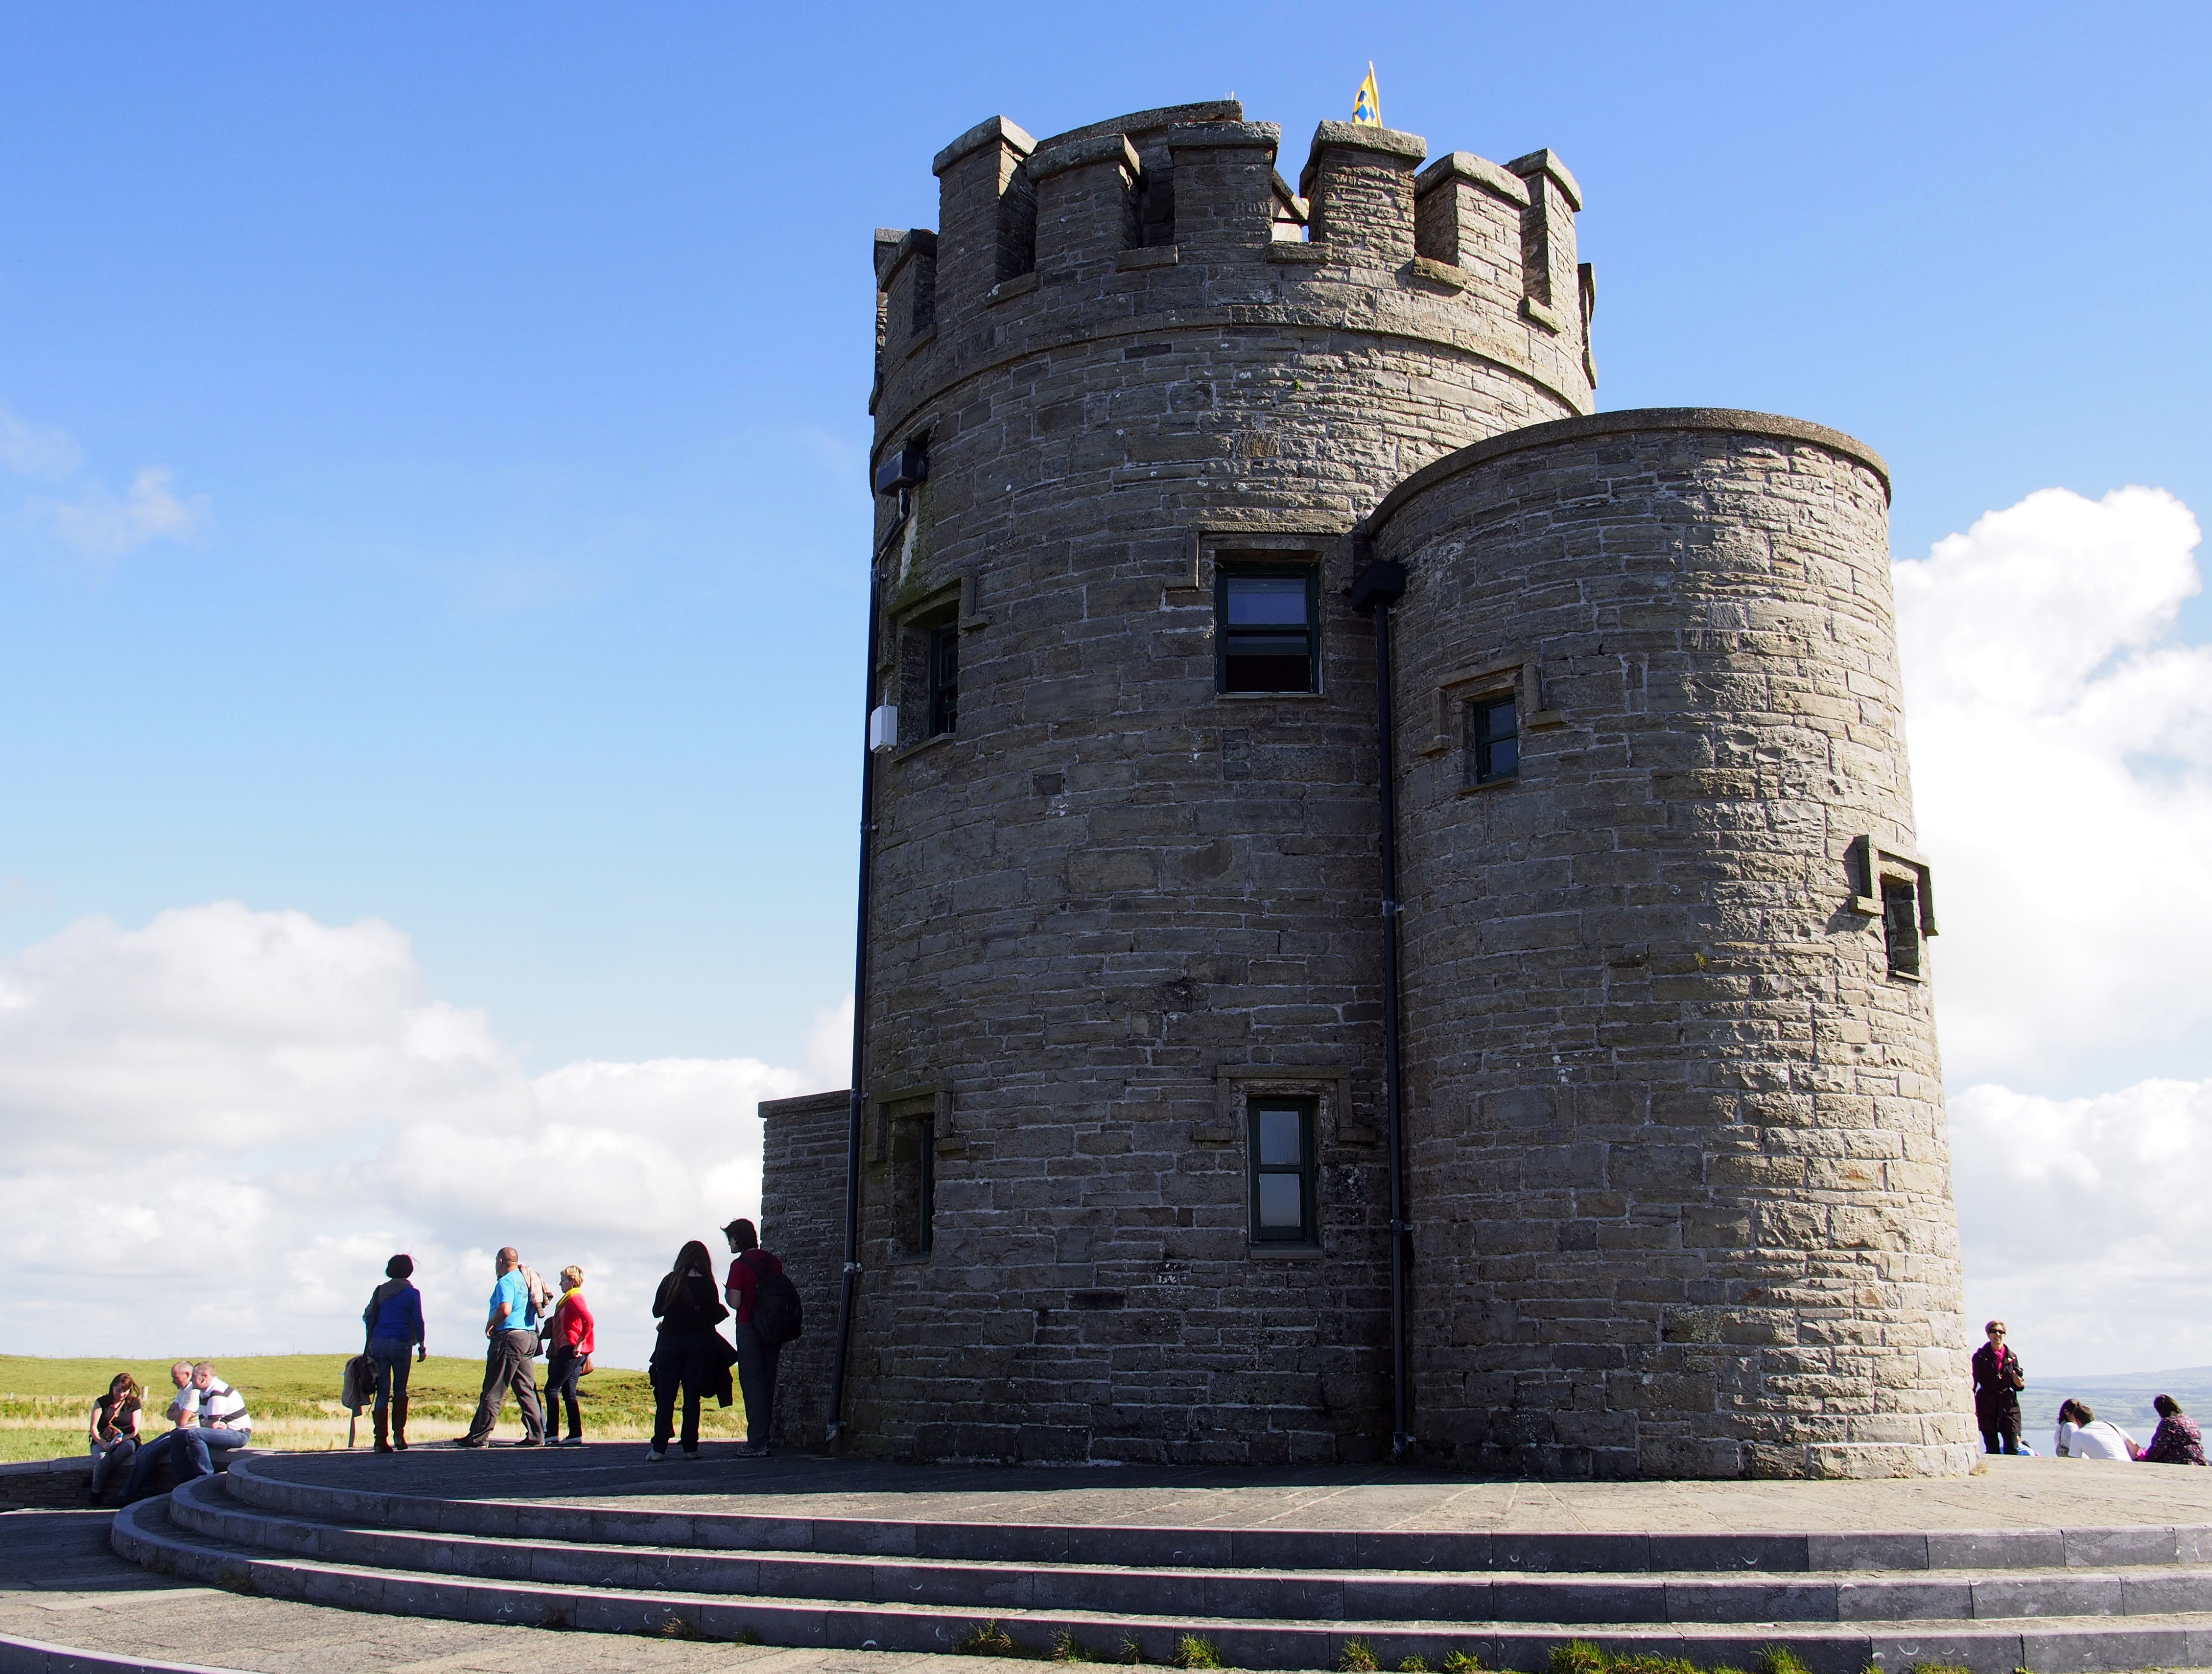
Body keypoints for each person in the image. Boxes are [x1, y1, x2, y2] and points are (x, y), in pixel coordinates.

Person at [648, 1240, 730, 1462]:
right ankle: (690, 1448)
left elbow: (657, 1311)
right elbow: (713, 1315)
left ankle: (658, 1448)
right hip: (697, 1343)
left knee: (666, 1397)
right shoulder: (707, 1284)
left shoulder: (670, 1281)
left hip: (669, 1343)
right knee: (692, 1396)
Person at [455, 1247, 545, 1448]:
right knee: (526, 1388)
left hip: (509, 1336)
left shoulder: (506, 1281)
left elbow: (505, 1309)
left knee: (494, 1389)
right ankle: (537, 1434)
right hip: (529, 1335)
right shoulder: (527, 1279)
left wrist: (491, 1323)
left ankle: (480, 1436)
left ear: (500, 1262)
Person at [723, 1217, 784, 1459]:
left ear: (738, 1239)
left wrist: (727, 1294)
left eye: (731, 1239)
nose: (730, 1244)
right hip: (774, 1327)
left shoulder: (739, 1266)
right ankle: (764, 1437)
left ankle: (757, 1442)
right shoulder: (773, 1262)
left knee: (752, 1383)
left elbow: (736, 1302)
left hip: (749, 1326)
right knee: (768, 1382)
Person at [363, 1253, 427, 1453]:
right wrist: (422, 1346)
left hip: (379, 1343)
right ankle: (399, 1436)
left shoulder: (380, 1291)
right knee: (400, 1390)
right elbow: (418, 1320)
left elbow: (368, 1317)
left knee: (383, 1391)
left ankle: (380, 1440)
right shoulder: (412, 1293)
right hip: (401, 1343)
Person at [117, 1362, 200, 1503]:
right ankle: (146, 1490)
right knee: (143, 1449)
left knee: (150, 1452)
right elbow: (169, 1414)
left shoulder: (194, 1392)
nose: (173, 1381)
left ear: (187, 1375)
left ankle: (127, 1495)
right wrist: (180, 1413)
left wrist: (178, 1413)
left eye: (175, 1377)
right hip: (179, 1430)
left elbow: (181, 1422)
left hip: (186, 1433)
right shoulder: (183, 1390)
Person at [172, 1362, 253, 1484]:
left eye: (194, 1376)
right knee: (176, 1437)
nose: (191, 1380)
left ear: (204, 1377)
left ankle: (204, 1477)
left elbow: (212, 1425)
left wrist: (210, 1423)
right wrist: (209, 1423)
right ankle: (183, 1479)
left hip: (238, 1434)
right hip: (224, 1432)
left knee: (194, 1434)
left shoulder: (218, 1392)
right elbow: (206, 1423)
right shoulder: (203, 1392)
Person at [544, 1265, 595, 1446]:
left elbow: (589, 1320)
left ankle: (551, 1433)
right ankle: (575, 1433)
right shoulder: (568, 1299)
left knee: (551, 1389)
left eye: (563, 1280)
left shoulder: (574, 1298)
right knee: (568, 1392)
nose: (560, 1284)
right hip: (572, 1349)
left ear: (572, 1281)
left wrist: (580, 1342)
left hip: (572, 1349)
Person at [86, 1372, 143, 1504]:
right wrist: (102, 1443)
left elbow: (134, 1431)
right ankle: (96, 1492)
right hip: (103, 1439)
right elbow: (94, 1428)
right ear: (112, 1387)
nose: (121, 1394)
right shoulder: (102, 1402)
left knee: (128, 1447)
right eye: (119, 1391)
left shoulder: (134, 1403)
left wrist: (121, 1441)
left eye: (125, 1391)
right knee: (102, 1459)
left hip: (126, 1439)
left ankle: (94, 1476)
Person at [1971, 1320, 2025, 1454]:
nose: (1998, 1335)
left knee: (2012, 1446)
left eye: (2001, 1332)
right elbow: (1973, 1382)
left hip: (2008, 1404)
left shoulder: (2012, 1357)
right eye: (1994, 1331)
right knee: (1992, 1447)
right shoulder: (1980, 1357)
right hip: (1987, 1404)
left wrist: (2019, 1383)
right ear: (1988, 1334)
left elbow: (2018, 1386)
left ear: (2005, 1335)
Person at [2053, 1398, 2141, 1461]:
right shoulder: (2110, 1425)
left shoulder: (2070, 1430)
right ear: (2094, 1418)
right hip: (2127, 1463)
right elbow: (2134, 1447)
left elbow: (2076, 1460)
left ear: (2078, 1421)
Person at [2141, 1395, 2209, 1465]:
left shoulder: (2168, 1422)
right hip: (2198, 1458)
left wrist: (2145, 1458)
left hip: (2180, 1460)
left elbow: (2160, 1447)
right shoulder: (2189, 1419)